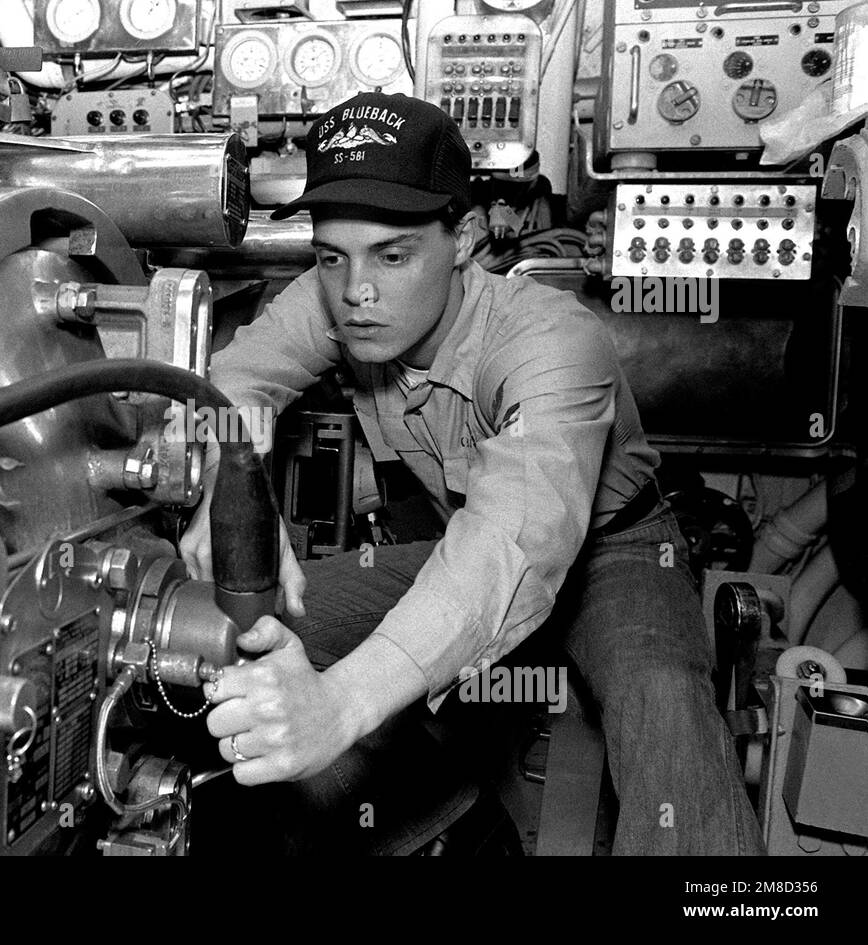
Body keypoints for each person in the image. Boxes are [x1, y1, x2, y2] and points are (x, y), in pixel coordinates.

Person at [179, 92, 763, 855]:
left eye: (394, 255)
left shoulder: (549, 338)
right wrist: (236, 484)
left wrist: (343, 703)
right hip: (456, 545)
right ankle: (429, 812)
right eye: (332, 256)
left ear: (464, 238)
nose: (358, 291)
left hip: (612, 554)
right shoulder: (336, 300)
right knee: (246, 635)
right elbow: (237, 384)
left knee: (663, 709)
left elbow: (511, 541)